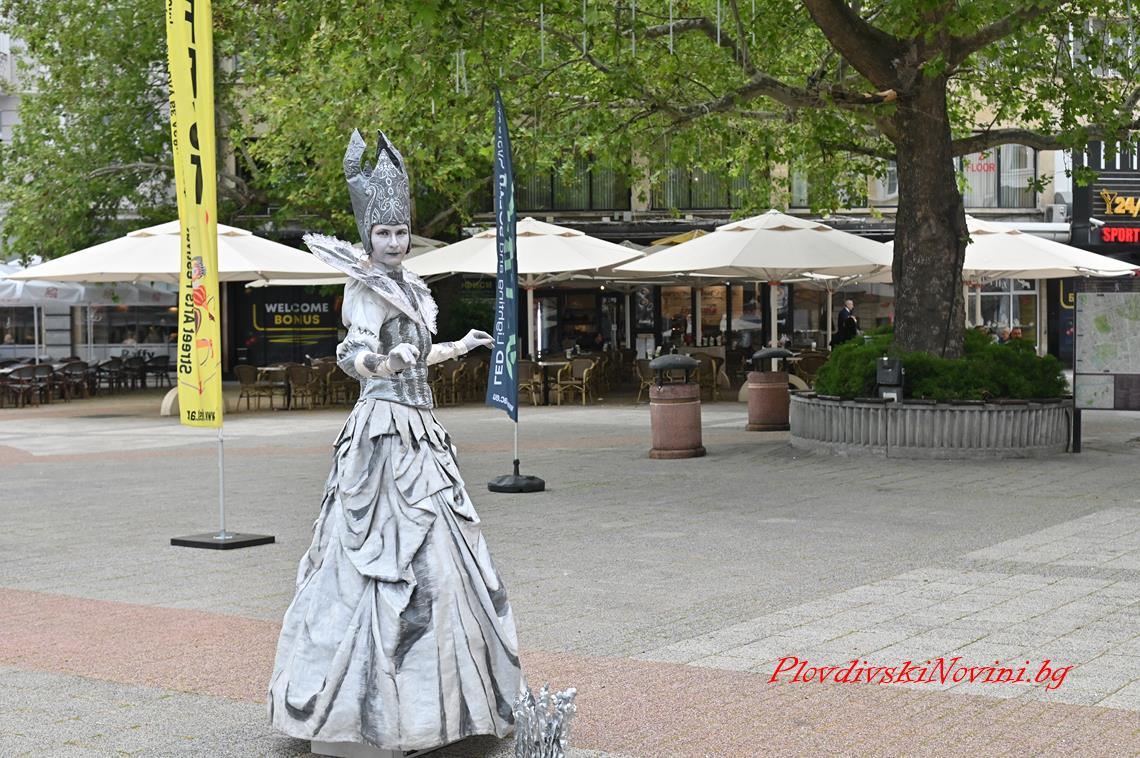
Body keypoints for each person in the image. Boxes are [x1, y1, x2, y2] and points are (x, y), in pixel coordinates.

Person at [269, 130, 522, 752]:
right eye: (382, 232)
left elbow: (416, 353)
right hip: (384, 430)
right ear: (367, 235)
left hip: (422, 432)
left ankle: (442, 712)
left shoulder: (413, 288)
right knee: (377, 554)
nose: (393, 242)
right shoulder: (364, 287)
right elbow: (352, 353)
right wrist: (382, 365)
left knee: (443, 550)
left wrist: (454, 347)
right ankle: (369, 714)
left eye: (400, 231)